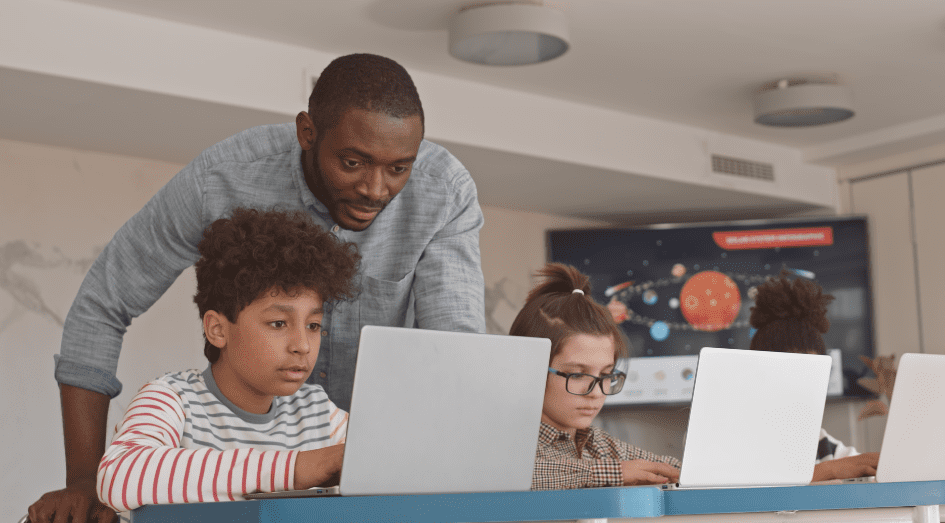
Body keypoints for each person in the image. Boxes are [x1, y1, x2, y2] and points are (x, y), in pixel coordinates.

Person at [31, 53, 485, 523]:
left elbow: (455, 358)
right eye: (352, 162)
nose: (375, 189)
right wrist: (84, 483)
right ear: (307, 132)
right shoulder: (175, 399)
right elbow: (102, 305)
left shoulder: (444, 191)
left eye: (398, 170)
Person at [96, 208, 359, 519]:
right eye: (278, 323)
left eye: (313, 325)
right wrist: (294, 468)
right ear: (218, 329)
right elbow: (119, 477)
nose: (302, 345)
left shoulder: (318, 412)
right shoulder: (172, 399)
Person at [510, 263, 681, 490]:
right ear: (529, 368)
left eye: (606, 374)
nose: (598, 392)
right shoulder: (502, 443)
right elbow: (512, 476)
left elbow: (671, 469)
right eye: (578, 374)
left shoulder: (598, 444)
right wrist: (613, 473)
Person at [749, 271, 880, 482]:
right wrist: (828, 471)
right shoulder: (731, 440)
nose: (801, 386)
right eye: (789, 371)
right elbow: (736, 491)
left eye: (812, 374)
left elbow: (862, 469)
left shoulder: (825, 446)